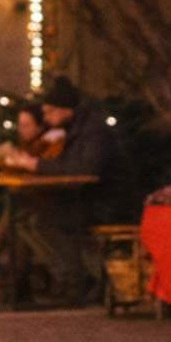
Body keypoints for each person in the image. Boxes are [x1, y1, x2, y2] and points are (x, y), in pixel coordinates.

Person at [10, 76, 115, 306]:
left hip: (105, 201)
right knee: (27, 220)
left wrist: (36, 165)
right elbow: (67, 165)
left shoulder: (92, 131)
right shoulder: (74, 128)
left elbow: (84, 169)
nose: (46, 118)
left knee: (43, 222)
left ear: (63, 109)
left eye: (48, 112)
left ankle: (76, 280)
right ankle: (69, 277)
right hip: (84, 197)